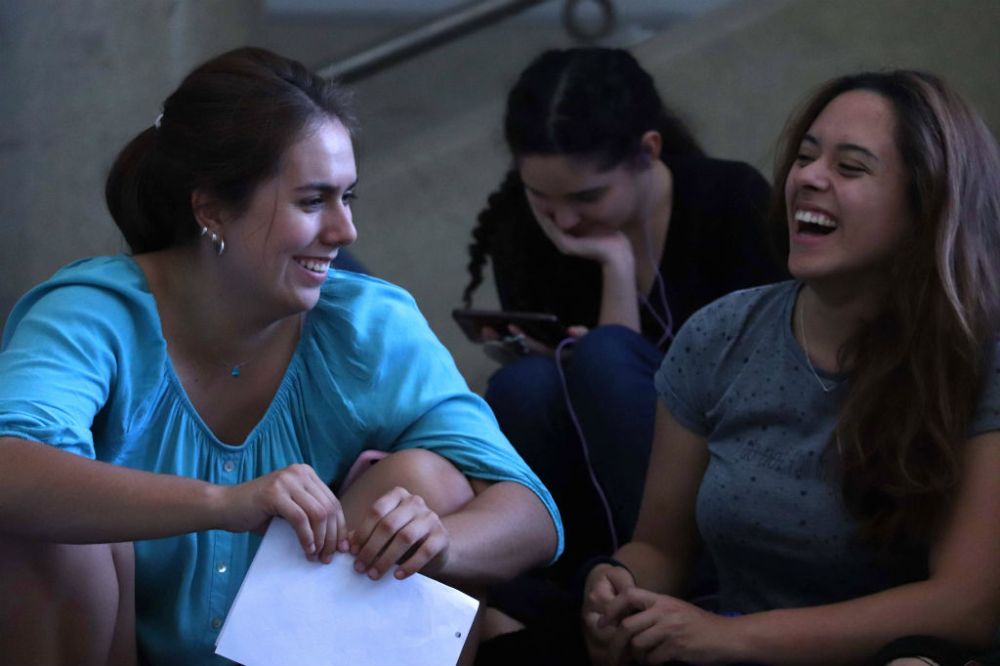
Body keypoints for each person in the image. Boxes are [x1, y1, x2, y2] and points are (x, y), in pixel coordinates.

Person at [0, 47, 562, 666]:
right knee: (43, 519)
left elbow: (531, 513)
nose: (345, 231)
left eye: (349, 197)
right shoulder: (94, 313)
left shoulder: (370, 326)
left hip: (290, 650)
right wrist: (225, 502)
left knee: (431, 484)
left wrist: (438, 546)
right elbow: (9, 470)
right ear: (211, 208)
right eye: (313, 200)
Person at [582, 69, 1000, 666]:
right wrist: (619, 587)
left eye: (850, 168)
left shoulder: (980, 355)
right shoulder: (720, 334)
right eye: (805, 157)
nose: (807, 177)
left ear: (925, 204)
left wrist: (732, 638)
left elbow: (966, 607)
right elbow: (660, 548)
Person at [462, 47, 786, 582]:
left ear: (648, 151)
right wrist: (609, 273)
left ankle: (682, 575)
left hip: (727, 451)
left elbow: (768, 369)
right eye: (541, 196)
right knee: (522, 383)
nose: (564, 219)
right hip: (596, 476)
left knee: (604, 354)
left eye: (587, 196)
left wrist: (617, 265)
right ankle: (570, 580)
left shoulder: (727, 199)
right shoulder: (522, 231)